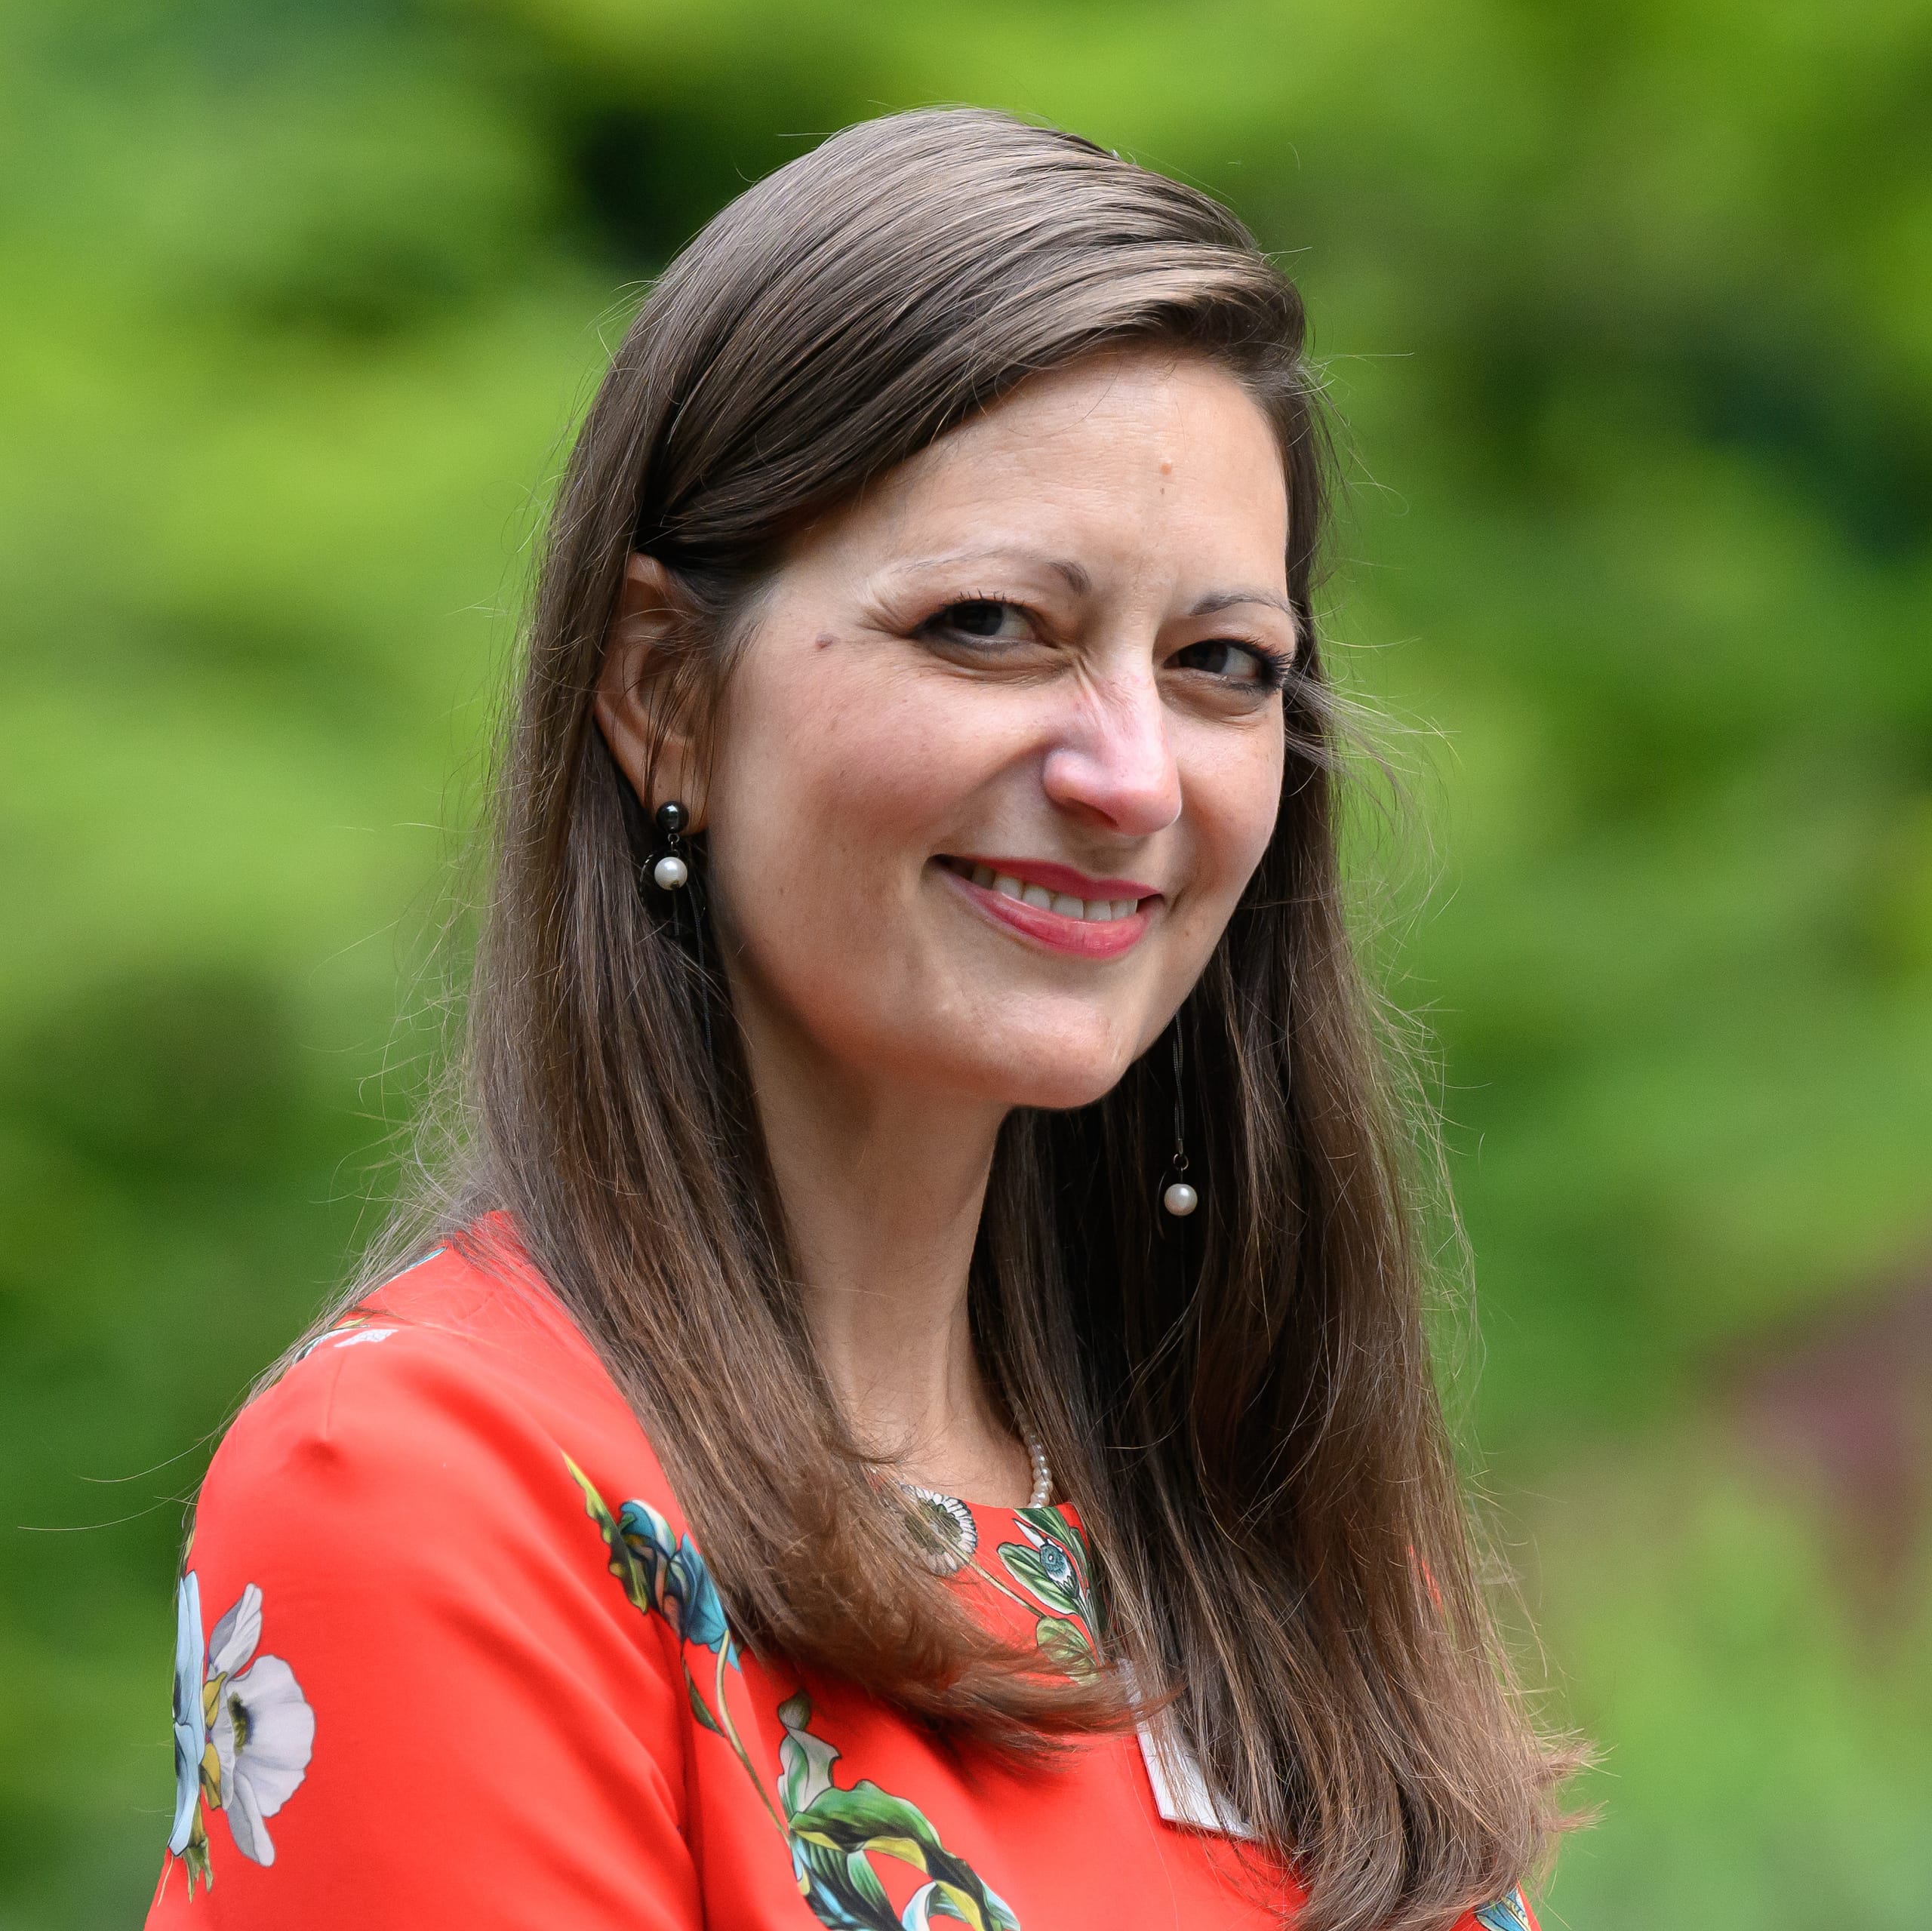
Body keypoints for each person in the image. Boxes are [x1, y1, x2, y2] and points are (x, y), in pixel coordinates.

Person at [146, 106, 1571, 1931]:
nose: (1130, 772)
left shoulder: (1254, 1526)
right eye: (989, 624)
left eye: (1219, 664)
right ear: (665, 694)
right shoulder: (436, 1495)